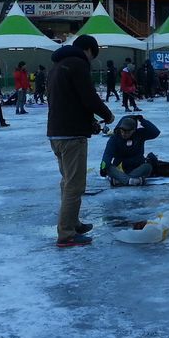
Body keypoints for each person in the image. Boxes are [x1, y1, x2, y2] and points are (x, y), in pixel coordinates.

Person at [47, 34, 114, 247]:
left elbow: (70, 102)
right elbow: (88, 97)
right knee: (75, 185)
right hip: (71, 136)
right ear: (88, 50)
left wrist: (89, 121)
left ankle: (72, 223)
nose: (91, 60)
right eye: (93, 55)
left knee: (67, 181)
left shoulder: (57, 66)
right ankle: (66, 233)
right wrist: (107, 115)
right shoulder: (78, 64)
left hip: (56, 132)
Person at [100, 115, 169, 185]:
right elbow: (107, 156)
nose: (124, 134)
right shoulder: (114, 139)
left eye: (127, 131)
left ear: (134, 130)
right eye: (122, 131)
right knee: (109, 168)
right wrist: (103, 169)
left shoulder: (140, 135)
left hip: (138, 167)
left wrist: (142, 120)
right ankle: (131, 181)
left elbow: (155, 132)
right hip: (121, 168)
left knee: (148, 167)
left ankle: (121, 180)